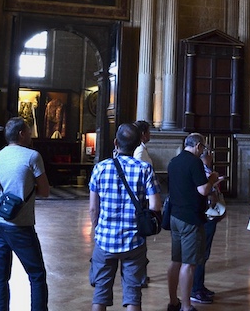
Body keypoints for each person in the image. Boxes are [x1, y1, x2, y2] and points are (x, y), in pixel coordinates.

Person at [89, 123, 161, 311]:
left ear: (115, 143)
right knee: (133, 296)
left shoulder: (100, 168)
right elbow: (155, 206)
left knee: (100, 294)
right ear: (138, 144)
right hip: (134, 240)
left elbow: (93, 208)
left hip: (105, 239)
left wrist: (97, 230)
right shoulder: (145, 169)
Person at [0, 117, 50, 311]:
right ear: (22, 134)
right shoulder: (32, 156)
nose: (31, 134)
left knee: (0, 276)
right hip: (20, 225)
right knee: (37, 274)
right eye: (29, 131)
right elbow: (45, 192)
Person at [166, 133, 221, 311]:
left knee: (176, 261)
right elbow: (203, 190)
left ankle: (174, 301)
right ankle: (187, 306)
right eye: (203, 147)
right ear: (198, 146)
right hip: (190, 218)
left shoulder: (174, 161)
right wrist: (212, 178)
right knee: (189, 264)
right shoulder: (195, 162)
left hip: (174, 216)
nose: (203, 150)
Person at [191, 148, 224, 305]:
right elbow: (204, 190)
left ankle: (200, 286)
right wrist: (214, 181)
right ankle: (195, 288)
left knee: (204, 252)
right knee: (201, 253)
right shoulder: (202, 169)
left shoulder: (205, 169)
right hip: (206, 214)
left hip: (207, 214)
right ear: (207, 155)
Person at [133, 120, 155, 288]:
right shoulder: (139, 151)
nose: (150, 135)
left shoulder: (141, 149)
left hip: (139, 200)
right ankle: (139, 276)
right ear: (142, 134)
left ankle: (140, 275)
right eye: (148, 132)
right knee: (140, 239)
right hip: (140, 201)